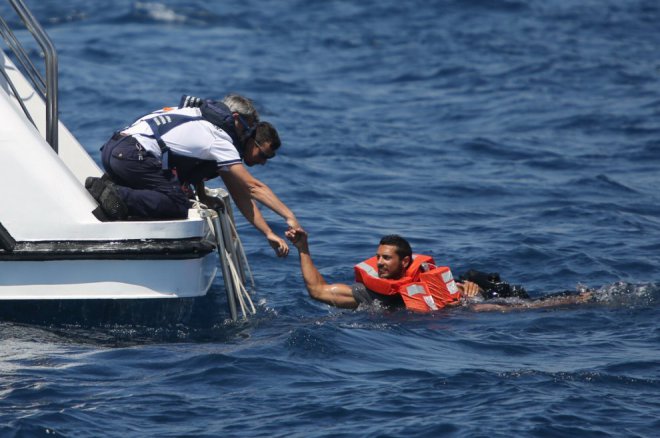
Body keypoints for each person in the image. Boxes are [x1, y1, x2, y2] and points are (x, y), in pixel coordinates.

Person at [86, 94, 300, 257]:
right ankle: (117, 196)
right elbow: (252, 188)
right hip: (133, 155)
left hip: (114, 149)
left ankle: (110, 185)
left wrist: (267, 232)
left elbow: (237, 192)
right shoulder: (220, 138)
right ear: (236, 119)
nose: (246, 134)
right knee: (177, 203)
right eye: (263, 154)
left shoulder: (197, 115)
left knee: (174, 192)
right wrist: (289, 216)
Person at [284, 229, 592, 311]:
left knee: (507, 308)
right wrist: (303, 249)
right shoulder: (368, 294)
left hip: (467, 304)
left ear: (405, 262)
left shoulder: (426, 280)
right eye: (377, 258)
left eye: (386, 259)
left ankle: (575, 300)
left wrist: (472, 290)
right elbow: (317, 291)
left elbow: (461, 294)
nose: (378, 264)